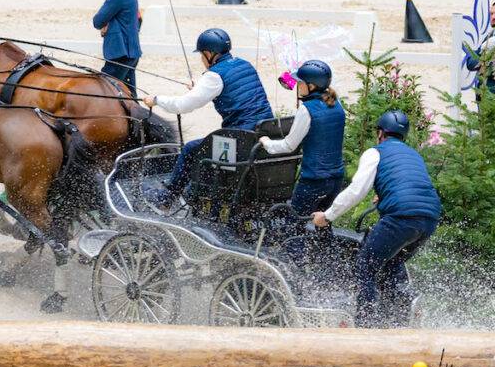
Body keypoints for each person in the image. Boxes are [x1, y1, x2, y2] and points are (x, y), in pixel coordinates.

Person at [312, 109, 442, 327]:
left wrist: (327, 216)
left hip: (401, 217)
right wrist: (384, 195)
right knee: (391, 266)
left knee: (365, 265)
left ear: (380, 133)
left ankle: (367, 325)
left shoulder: (375, 153)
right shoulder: (413, 154)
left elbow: (356, 191)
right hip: (429, 218)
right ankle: (398, 319)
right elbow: (409, 184)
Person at [142, 28, 274, 207]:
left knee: (190, 149)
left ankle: (167, 197)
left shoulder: (214, 76)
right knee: (206, 145)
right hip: (263, 131)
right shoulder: (244, 64)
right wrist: (199, 88)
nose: (202, 60)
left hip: (240, 139)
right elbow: (232, 89)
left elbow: (183, 105)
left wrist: (156, 100)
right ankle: (191, 191)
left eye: (201, 55)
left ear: (209, 54)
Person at [259, 60, 346, 216]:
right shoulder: (337, 104)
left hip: (313, 181)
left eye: (300, 82)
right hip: (336, 180)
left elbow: (289, 145)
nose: (297, 86)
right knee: (322, 222)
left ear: (311, 86)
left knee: (295, 223)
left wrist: (267, 143)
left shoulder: (307, 109)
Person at [93, 0, 142, 95]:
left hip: (120, 54)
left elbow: (97, 21)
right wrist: (110, 23)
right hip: (131, 53)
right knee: (130, 97)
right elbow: (139, 19)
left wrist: (106, 23)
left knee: (104, 92)